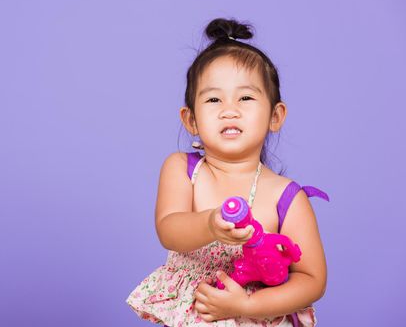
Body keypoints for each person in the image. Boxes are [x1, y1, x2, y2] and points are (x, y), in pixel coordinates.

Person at [126, 17, 330, 327]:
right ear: (191, 120)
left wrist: (247, 303)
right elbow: (169, 229)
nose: (229, 109)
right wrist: (209, 224)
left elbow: (312, 280)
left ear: (275, 116)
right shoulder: (183, 169)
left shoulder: (287, 196)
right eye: (213, 99)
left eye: (246, 98)